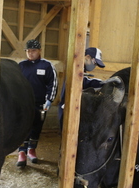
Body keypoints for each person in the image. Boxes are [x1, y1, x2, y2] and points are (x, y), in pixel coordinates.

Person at [16, 39, 58, 167]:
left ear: (39, 51)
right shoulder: (21, 66)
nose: (30, 53)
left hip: (40, 104)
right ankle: (21, 152)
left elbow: (53, 84)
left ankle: (32, 149)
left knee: (36, 127)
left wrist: (49, 100)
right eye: (28, 51)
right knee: (23, 127)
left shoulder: (47, 66)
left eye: (33, 50)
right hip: (24, 104)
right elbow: (15, 84)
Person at [58, 47, 105, 130]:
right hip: (67, 109)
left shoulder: (81, 68)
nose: (94, 66)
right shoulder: (76, 68)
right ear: (87, 57)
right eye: (94, 62)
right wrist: (104, 82)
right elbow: (83, 81)